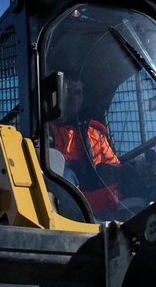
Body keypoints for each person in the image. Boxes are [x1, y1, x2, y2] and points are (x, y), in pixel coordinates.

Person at [48, 74, 124, 214]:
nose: (73, 97)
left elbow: (115, 167)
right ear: (59, 95)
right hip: (66, 204)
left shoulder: (95, 134)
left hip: (102, 201)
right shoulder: (46, 131)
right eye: (68, 91)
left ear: (83, 97)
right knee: (65, 174)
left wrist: (132, 168)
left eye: (78, 93)